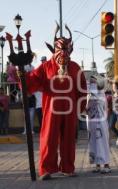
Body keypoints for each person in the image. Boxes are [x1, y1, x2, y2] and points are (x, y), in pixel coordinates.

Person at [20, 24, 87, 180]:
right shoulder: (45, 67)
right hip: (51, 110)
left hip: (69, 111)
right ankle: (47, 169)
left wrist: (81, 106)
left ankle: (67, 167)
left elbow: (82, 89)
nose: (63, 52)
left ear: (70, 50)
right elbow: (32, 81)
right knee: (49, 137)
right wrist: (22, 76)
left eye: (66, 49)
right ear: (53, 50)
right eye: (60, 49)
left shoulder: (75, 67)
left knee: (69, 139)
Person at [86, 75, 111, 174]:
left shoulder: (101, 94)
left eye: (93, 81)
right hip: (91, 122)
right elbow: (86, 109)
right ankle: (97, 165)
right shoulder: (89, 94)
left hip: (100, 122)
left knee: (102, 143)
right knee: (93, 143)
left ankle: (106, 165)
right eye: (90, 81)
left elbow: (104, 108)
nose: (91, 83)